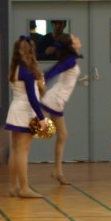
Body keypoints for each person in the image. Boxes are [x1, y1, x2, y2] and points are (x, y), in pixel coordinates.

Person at [6, 36, 46, 198]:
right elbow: (32, 98)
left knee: (15, 151)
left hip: (15, 110)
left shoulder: (15, 69)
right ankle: (24, 189)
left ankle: (13, 187)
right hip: (24, 112)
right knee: (23, 152)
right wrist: (41, 118)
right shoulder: (27, 71)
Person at [40, 33, 82, 185]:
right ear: (71, 45)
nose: (78, 39)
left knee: (63, 135)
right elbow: (51, 72)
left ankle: (57, 171)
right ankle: (1, 138)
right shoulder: (70, 60)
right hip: (54, 99)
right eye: (75, 38)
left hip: (56, 100)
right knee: (27, 127)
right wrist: (40, 83)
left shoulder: (70, 58)